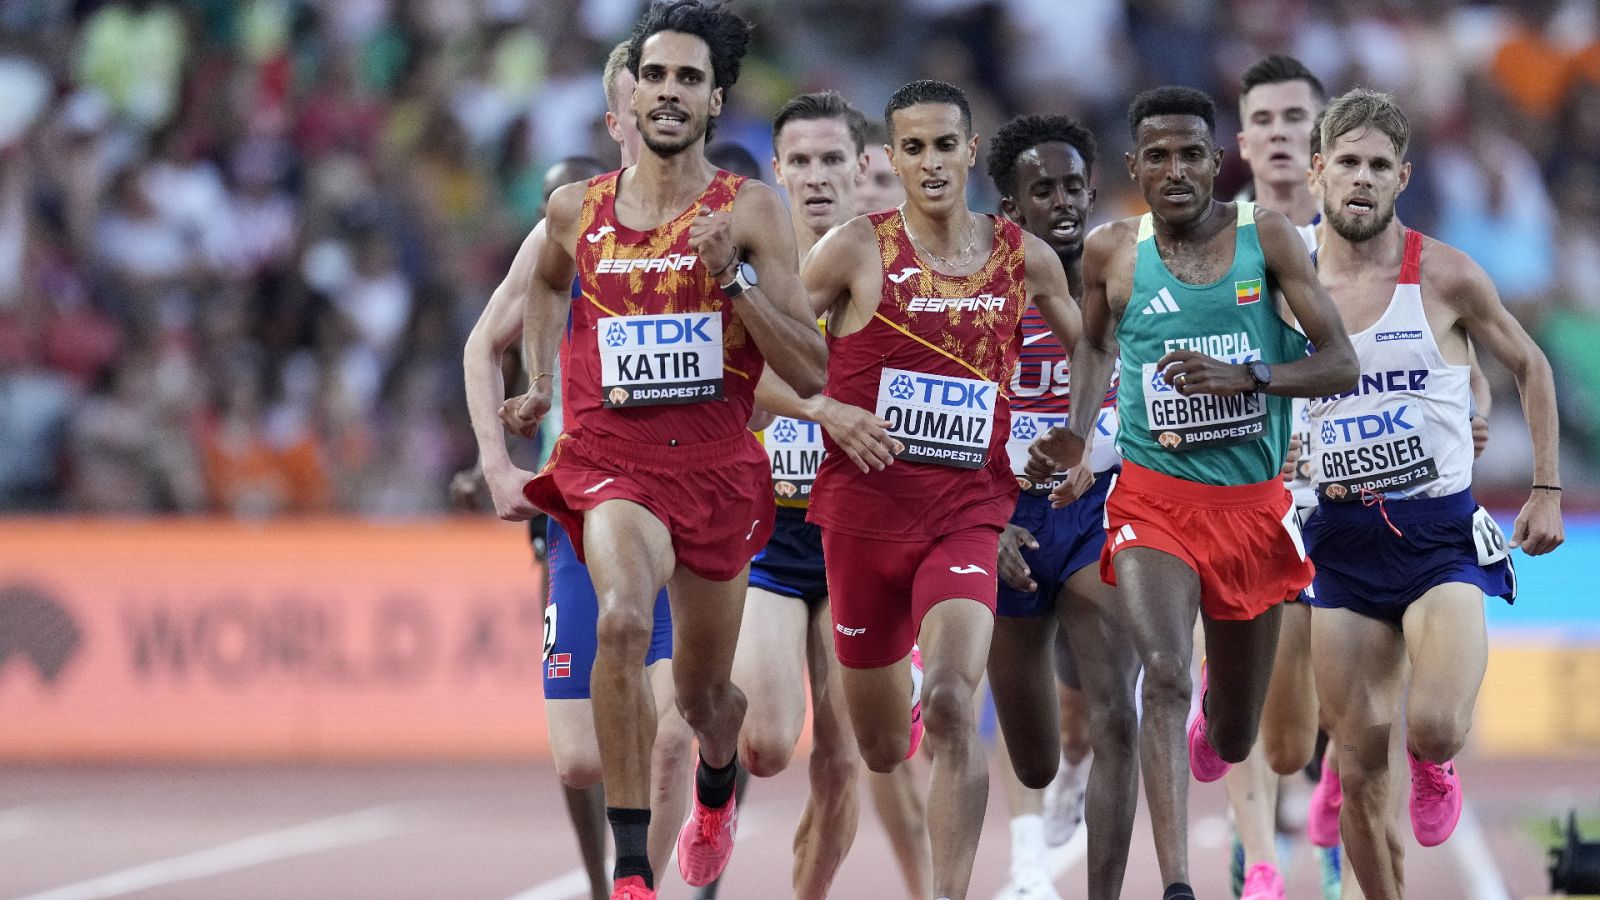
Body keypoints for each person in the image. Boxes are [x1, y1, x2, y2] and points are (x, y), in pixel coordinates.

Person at [504, 3, 827, 897]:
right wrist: (540, 382)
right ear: (631, 93)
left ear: (715, 100)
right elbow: (546, 281)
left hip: (718, 469)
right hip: (616, 459)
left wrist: (737, 279)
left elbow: (810, 366)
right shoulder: (577, 210)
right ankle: (634, 859)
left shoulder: (752, 209)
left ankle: (716, 789)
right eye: (656, 76)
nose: (670, 92)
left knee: (705, 701)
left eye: (690, 79)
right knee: (618, 619)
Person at [1029, 85, 1359, 900]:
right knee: (1165, 675)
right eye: (1158, 157)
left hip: (1250, 510)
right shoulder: (1112, 252)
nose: (1175, 171)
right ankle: (1178, 884)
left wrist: (1247, 374)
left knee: (1242, 737)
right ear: (1135, 166)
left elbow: (1340, 362)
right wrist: (1078, 429)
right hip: (1153, 501)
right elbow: (1096, 349)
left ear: (1218, 162)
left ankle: (1222, 715)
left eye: (1191, 155)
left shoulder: (1269, 238)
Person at [804, 79, 1082, 900]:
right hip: (862, 521)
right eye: (912, 148)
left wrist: (1085, 437)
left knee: (959, 703)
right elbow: (767, 345)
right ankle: (905, 697)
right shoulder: (853, 249)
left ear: (970, 151)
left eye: (944, 145)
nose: (929, 162)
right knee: (886, 747)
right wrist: (824, 408)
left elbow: (1100, 347)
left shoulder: (1022, 257)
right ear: (891, 158)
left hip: (969, 515)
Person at [1305, 88, 1564, 900]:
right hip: (1338, 538)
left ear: (1402, 178)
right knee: (1355, 754)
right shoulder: (1284, 281)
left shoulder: (1444, 272)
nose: (1361, 178)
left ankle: (1438, 763)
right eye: (1346, 162)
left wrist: (1547, 487)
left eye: (1379, 166)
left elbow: (1530, 365)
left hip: (1438, 535)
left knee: (1434, 722)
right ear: (1318, 172)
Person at [460, 44, 692, 900]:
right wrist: (496, 464)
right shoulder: (572, 222)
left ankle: (645, 881)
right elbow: (482, 344)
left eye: (679, 92)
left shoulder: (726, 216)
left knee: (678, 733)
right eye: (643, 100)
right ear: (615, 121)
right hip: (589, 506)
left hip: (698, 506)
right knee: (585, 756)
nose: (661, 111)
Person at [983, 113, 1140, 900]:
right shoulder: (986, 288)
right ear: (1011, 208)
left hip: (1103, 508)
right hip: (1005, 510)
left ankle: (1086, 884)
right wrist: (989, 507)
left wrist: (1098, 450)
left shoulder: (1131, 275)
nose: (1064, 202)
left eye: (1074, 185)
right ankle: (1051, 792)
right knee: (1040, 748)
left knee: (1113, 711)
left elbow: (1150, 397)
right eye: (1041, 190)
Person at [1222, 53, 1337, 900]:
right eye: (1263, 120)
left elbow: (1440, 349)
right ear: (1242, 139)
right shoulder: (1213, 236)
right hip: (1242, 491)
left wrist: (1475, 401)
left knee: (1304, 730)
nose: (1280, 134)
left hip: (1345, 491)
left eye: (1295, 119)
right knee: (1237, 688)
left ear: (1324, 137)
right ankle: (1258, 855)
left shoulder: (1362, 235)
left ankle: (1323, 818)